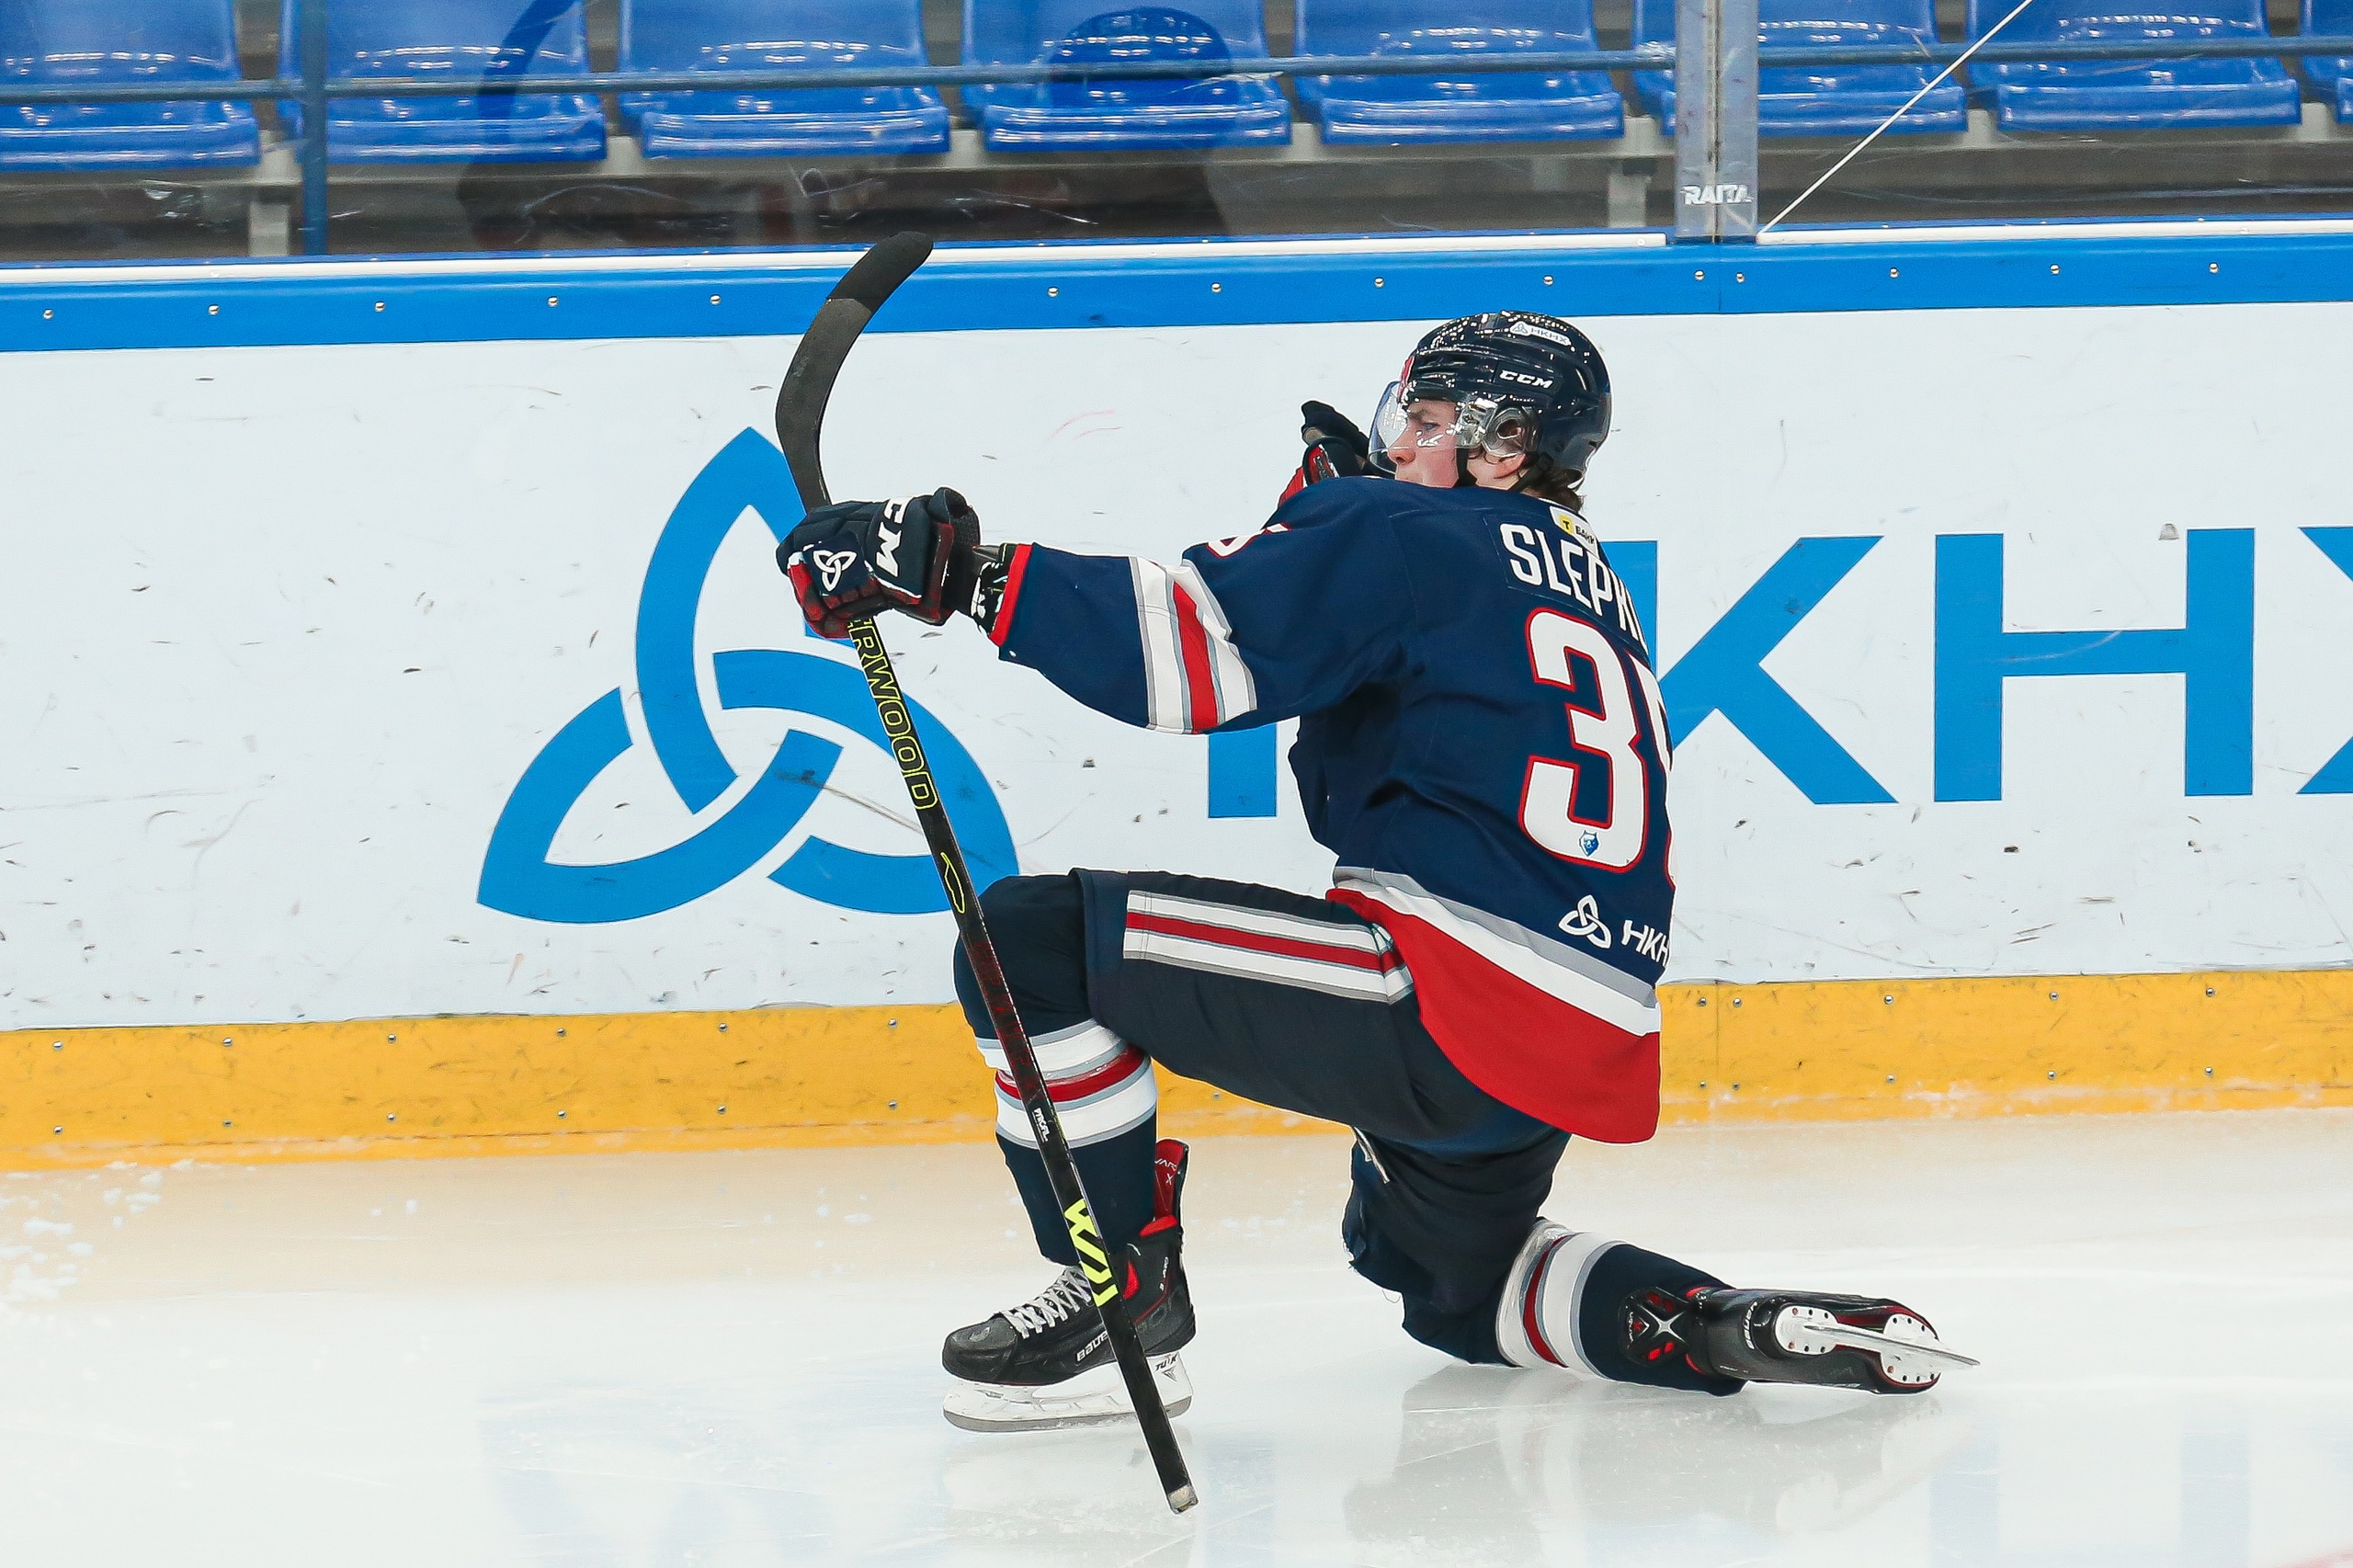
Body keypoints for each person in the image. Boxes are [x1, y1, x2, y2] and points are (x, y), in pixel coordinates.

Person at [777, 312, 1972, 1432]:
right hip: (1573, 1036)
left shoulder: (1407, 533)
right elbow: (1349, 769)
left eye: (1430, 420)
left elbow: (1188, 656)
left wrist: (958, 573)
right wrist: (1316, 542)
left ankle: (1117, 1299)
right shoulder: (1589, 582)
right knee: (1454, 1282)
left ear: (1505, 447)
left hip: (1448, 996)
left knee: (1028, 944)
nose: (1399, 441)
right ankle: (1712, 1326)